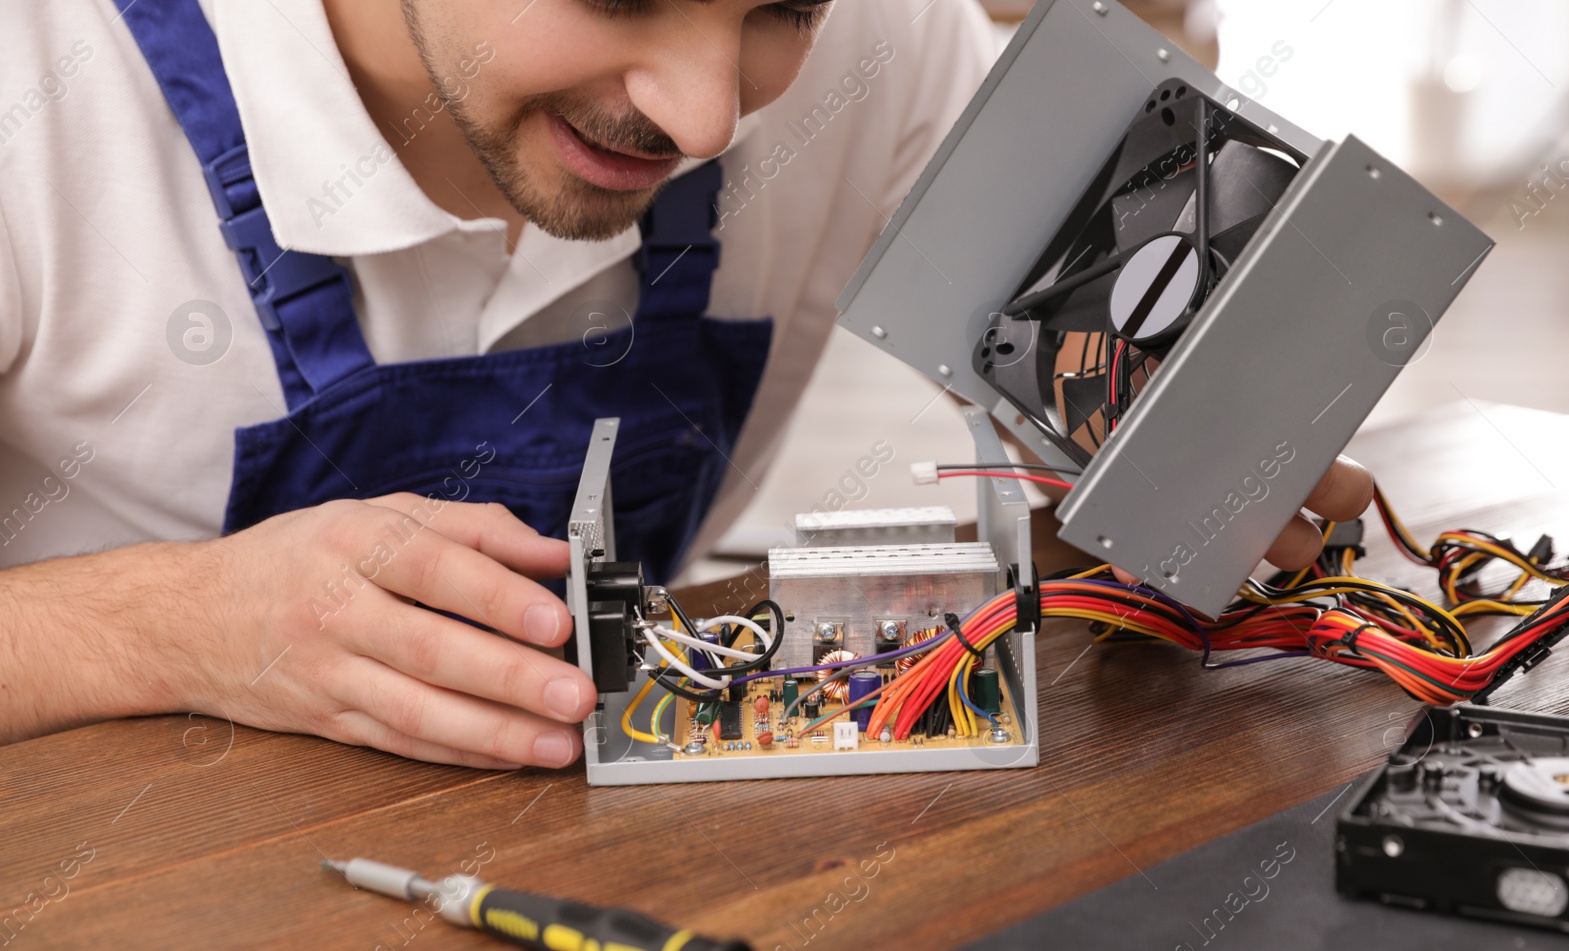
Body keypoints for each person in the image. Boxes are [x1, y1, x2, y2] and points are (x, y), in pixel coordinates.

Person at [0, 0, 1371, 766]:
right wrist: (166, 624)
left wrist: (1150, 469)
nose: (709, 114)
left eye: (781, 9)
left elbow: (1097, 400)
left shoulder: (875, 50)